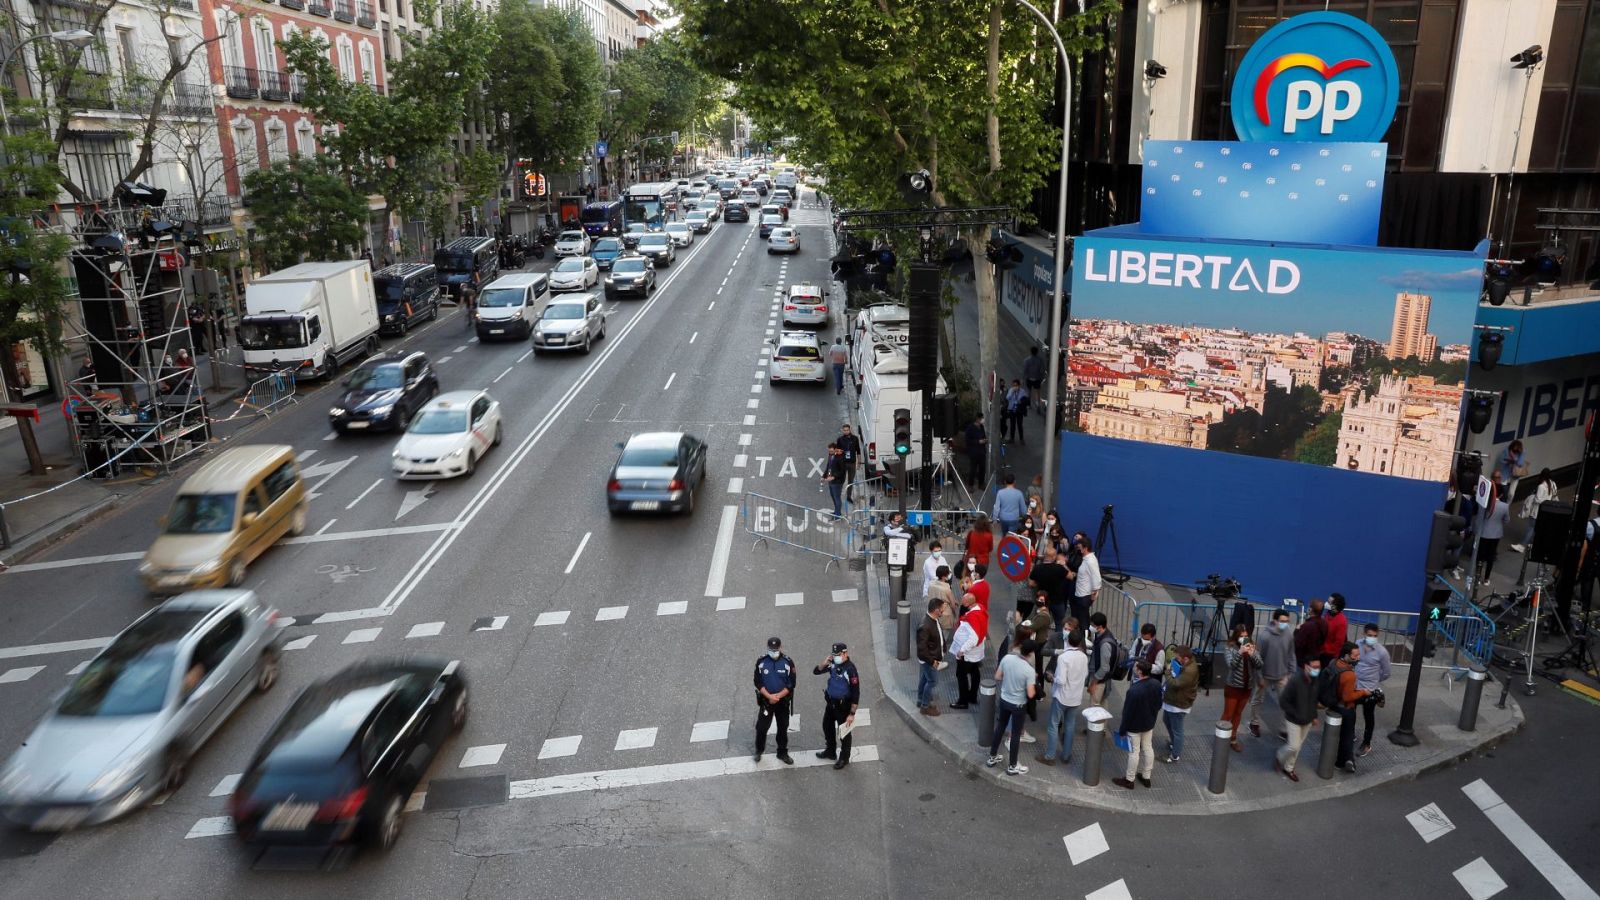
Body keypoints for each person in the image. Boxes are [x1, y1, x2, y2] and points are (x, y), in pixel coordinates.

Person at [986, 628, 1037, 776]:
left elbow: (997, 676)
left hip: (1004, 699)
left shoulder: (1007, 658)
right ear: (1030, 654)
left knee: (1000, 727)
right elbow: (1031, 693)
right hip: (1018, 705)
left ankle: (992, 757)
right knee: (1015, 734)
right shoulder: (1029, 670)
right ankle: (1012, 765)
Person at [1038, 628, 1088, 767]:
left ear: (1068, 640)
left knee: (1053, 725)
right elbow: (1085, 675)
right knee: (1070, 726)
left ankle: (1050, 755)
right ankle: (1066, 755)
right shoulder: (1083, 657)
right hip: (1075, 697)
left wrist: (1051, 677)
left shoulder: (1063, 657)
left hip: (1062, 696)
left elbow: (1060, 680)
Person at [1112, 660, 1161, 789]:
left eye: (1136, 667)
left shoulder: (1134, 690)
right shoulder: (1156, 684)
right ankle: (1146, 777)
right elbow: (1159, 704)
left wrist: (1122, 730)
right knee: (1148, 748)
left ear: (1139, 671)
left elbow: (1127, 713)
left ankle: (1129, 779)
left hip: (1134, 726)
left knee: (1134, 752)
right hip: (1149, 723)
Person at [1250, 608, 1297, 739]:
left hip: (1282, 675)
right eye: (1282, 621)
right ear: (1275, 621)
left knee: (1285, 702)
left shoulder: (1288, 634)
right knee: (1257, 700)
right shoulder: (1265, 637)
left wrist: (1291, 672)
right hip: (1265, 675)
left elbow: (1291, 653)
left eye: (1287, 621)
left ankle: (1284, 729)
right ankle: (1254, 723)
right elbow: (1258, 658)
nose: (1285, 624)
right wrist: (1259, 677)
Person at [1323, 641, 1369, 773]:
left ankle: (1347, 759)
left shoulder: (1334, 663)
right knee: (1347, 736)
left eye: (1359, 654)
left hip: (1333, 704)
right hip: (1345, 708)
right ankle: (1343, 761)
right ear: (1346, 655)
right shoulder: (1349, 675)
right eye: (1355, 655)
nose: (1358, 657)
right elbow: (1348, 697)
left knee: (1341, 736)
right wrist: (1363, 692)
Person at [813, 643, 861, 770]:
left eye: (838, 655)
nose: (836, 657)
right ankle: (830, 751)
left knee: (844, 733)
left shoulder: (850, 669)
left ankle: (844, 758)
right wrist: (824, 663)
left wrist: (852, 714)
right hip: (831, 703)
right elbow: (816, 671)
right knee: (827, 726)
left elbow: (856, 693)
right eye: (834, 655)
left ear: (845, 653)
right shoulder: (833, 664)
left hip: (843, 706)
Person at [1275, 658, 1321, 782]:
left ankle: (1289, 768)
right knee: (1293, 746)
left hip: (1307, 720)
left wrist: (1314, 716)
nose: (1317, 670)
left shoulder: (1316, 681)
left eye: (1318, 667)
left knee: (1298, 746)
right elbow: (1283, 701)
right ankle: (1279, 756)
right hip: (1293, 720)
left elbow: (1314, 700)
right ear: (1306, 666)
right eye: (1314, 667)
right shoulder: (1295, 681)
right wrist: (1296, 714)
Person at [752, 637, 796, 764]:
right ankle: (759, 750)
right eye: (771, 649)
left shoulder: (788, 662)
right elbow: (757, 682)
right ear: (767, 648)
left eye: (776, 649)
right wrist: (770, 696)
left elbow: (791, 683)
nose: (774, 652)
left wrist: (778, 696)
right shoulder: (761, 662)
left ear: (781, 647)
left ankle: (782, 753)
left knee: (783, 727)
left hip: (782, 702)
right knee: (761, 728)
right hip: (767, 701)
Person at [1353, 623, 1391, 757]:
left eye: (1375, 636)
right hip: (1355, 686)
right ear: (1364, 634)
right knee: (1350, 711)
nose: (1372, 638)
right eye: (1369, 635)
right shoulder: (1357, 644)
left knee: (1368, 716)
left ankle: (1366, 743)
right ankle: (1351, 733)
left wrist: (1374, 681)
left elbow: (1387, 672)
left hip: (1370, 689)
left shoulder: (1382, 652)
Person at [1221, 623, 1259, 752]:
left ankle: (1233, 738)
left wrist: (1253, 654)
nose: (1244, 639)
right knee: (1228, 714)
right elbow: (1231, 665)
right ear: (1236, 636)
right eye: (1241, 636)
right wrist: (1240, 652)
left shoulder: (1251, 646)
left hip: (1246, 687)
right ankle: (1221, 738)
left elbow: (1259, 665)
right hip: (1233, 686)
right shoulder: (1230, 648)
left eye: (1246, 636)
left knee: (1238, 713)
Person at [1160, 645, 1199, 763]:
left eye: (1178, 658)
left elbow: (1175, 684)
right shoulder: (1185, 664)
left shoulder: (1190, 671)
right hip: (1173, 700)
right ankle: (1175, 743)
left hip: (1179, 703)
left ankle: (1175, 755)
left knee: (1177, 730)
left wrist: (1168, 671)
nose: (1176, 659)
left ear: (1185, 658)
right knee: (1167, 720)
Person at [949, 591, 987, 709]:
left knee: (961, 675)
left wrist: (962, 650)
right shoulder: (980, 610)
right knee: (975, 672)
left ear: (967, 604)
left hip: (967, 653)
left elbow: (974, 638)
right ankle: (972, 696)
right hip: (976, 651)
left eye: (963, 602)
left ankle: (963, 701)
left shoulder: (972, 617)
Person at [1511, 468, 1558, 554]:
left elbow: (1537, 500)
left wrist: (1534, 496)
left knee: (1530, 528)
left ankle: (1522, 546)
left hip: (1537, 511)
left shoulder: (1541, 486)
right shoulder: (1553, 484)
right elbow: (1554, 496)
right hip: (1547, 511)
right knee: (1539, 529)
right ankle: (1535, 545)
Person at [916, 597, 948, 716]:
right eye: (942, 609)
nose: (944, 611)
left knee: (925, 678)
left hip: (931, 658)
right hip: (930, 660)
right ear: (936, 610)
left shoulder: (932, 620)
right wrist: (932, 661)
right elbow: (922, 649)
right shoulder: (925, 626)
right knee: (932, 681)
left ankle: (921, 699)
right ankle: (925, 706)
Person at [1086, 612, 1121, 709]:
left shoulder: (1105, 644)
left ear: (1099, 626)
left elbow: (1104, 667)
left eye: (1092, 625)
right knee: (1101, 707)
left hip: (1100, 681)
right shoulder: (1103, 635)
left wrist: (1094, 683)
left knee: (1094, 709)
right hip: (1102, 679)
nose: (1091, 627)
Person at [1028, 544, 1070, 626]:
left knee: (1039, 623)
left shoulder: (1037, 568)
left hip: (1043, 600)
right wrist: (1064, 564)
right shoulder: (1059, 568)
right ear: (1054, 557)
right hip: (1057, 600)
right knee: (1059, 623)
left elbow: (1031, 584)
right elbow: (1071, 576)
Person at [1478, 478, 1509, 583]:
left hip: (1484, 533)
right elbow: (1506, 520)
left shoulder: (1485, 504)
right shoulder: (1504, 506)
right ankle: (1486, 578)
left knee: (1480, 555)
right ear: (1501, 495)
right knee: (1490, 556)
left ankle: (1477, 575)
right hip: (1496, 534)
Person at [1068, 535, 1102, 632]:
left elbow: (1097, 578)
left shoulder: (1091, 561)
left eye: (1079, 547)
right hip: (1080, 593)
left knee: (1083, 619)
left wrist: (1094, 594)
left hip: (1084, 596)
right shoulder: (1085, 559)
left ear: (1085, 548)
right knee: (1080, 617)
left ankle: (1084, 636)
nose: (1078, 549)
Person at [1295, 597, 1328, 668]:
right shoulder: (1324, 623)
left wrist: (1297, 631)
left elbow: (1298, 643)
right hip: (1316, 658)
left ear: (1310, 609)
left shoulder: (1307, 626)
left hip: (1303, 662)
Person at [1319, 594, 1349, 669]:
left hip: (1329, 655)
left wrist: (1326, 650)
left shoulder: (1341, 621)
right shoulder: (1328, 614)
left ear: (1335, 605)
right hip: (1321, 651)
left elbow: (1339, 642)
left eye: (1329, 602)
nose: (1326, 603)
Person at [836, 423, 862, 498]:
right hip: (843, 463)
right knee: (842, 479)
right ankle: (838, 494)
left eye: (847, 430)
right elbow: (837, 452)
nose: (846, 431)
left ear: (850, 430)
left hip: (852, 463)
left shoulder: (855, 439)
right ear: (842, 431)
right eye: (844, 430)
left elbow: (858, 451)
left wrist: (859, 462)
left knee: (851, 481)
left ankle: (849, 496)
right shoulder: (840, 440)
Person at [821, 442, 846, 517]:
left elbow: (842, 471)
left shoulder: (840, 457)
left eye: (831, 451)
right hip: (831, 480)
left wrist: (833, 477)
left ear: (835, 449)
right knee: (833, 496)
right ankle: (836, 511)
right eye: (829, 451)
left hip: (837, 481)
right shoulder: (830, 455)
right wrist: (824, 476)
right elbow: (828, 466)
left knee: (837, 497)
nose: (830, 452)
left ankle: (838, 515)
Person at [1002, 379, 1029, 444]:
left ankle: (1021, 439)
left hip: (1019, 410)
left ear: (1019, 385)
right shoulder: (1011, 390)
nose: (1015, 387)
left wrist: (1020, 401)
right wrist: (1012, 392)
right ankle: (1012, 438)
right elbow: (1007, 398)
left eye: (1016, 385)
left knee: (1020, 425)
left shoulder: (1022, 391)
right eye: (1014, 385)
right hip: (1012, 410)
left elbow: (1025, 399)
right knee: (1012, 425)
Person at [964, 415, 988, 487]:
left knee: (982, 468)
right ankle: (970, 485)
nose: (983, 420)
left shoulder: (981, 427)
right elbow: (967, 440)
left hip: (982, 451)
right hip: (973, 452)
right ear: (977, 419)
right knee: (973, 469)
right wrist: (978, 442)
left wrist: (984, 440)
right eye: (982, 418)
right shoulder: (970, 428)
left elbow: (983, 436)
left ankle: (981, 484)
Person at [1023, 346, 1047, 414]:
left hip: (1029, 378)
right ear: (1037, 352)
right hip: (1037, 378)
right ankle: (1038, 405)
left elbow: (1025, 370)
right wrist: (1042, 377)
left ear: (1031, 352)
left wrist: (1023, 378)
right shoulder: (1040, 360)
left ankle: (1028, 404)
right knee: (1037, 392)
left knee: (1029, 391)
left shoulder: (1027, 360)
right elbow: (1043, 370)